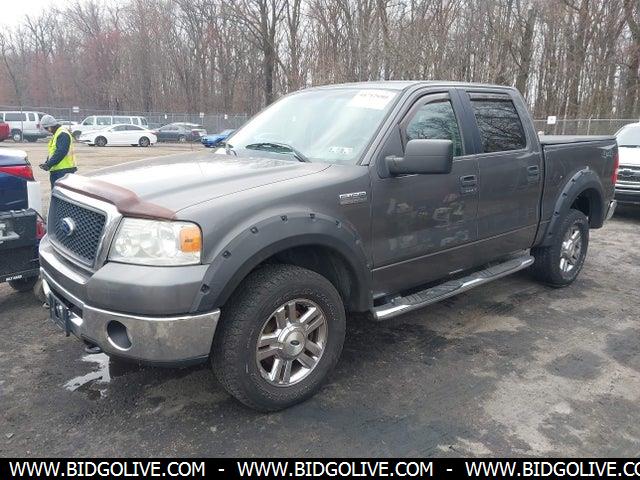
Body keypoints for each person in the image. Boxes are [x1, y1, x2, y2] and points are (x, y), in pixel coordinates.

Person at [38, 114, 77, 189]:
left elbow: (60, 152)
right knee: (56, 193)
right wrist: (47, 162)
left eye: (46, 128)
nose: (47, 130)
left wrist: (49, 164)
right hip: (58, 170)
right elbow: (53, 151)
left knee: (61, 194)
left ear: (50, 127)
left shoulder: (62, 134)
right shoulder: (57, 133)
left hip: (64, 171)